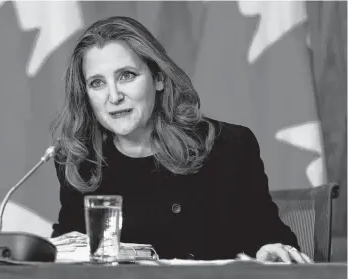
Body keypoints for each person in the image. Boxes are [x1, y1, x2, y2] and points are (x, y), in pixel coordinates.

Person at [50, 16, 312, 263]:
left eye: (126, 75)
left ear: (159, 79)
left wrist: (270, 250)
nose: (114, 95)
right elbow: (65, 249)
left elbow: (269, 237)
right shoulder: (80, 162)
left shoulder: (227, 147)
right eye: (97, 83)